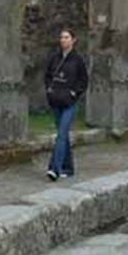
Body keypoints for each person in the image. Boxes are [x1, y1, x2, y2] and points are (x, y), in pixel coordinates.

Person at [43, 28, 88, 181]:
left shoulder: (78, 60)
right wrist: (49, 90)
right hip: (56, 100)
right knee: (64, 136)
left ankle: (54, 168)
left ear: (73, 40)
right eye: (61, 37)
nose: (63, 40)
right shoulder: (54, 58)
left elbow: (83, 81)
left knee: (61, 134)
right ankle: (68, 168)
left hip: (69, 103)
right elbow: (47, 75)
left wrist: (74, 93)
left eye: (67, 37)